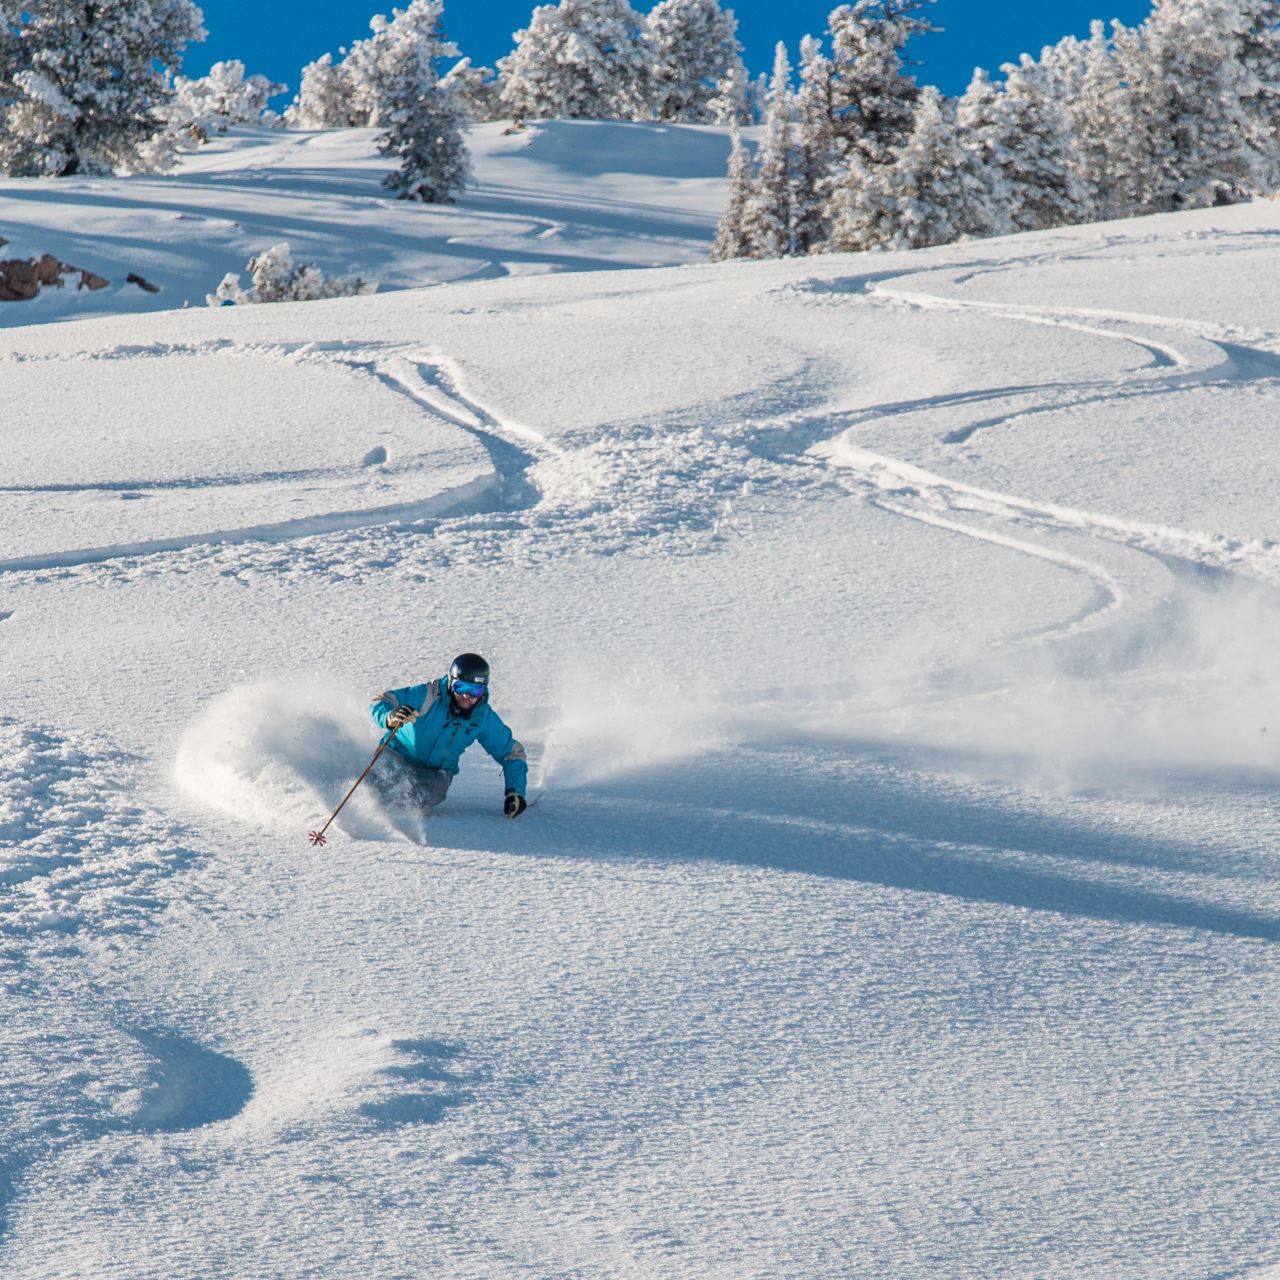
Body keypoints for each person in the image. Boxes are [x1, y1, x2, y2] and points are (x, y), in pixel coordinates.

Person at [370, 653, 528, 818]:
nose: (467, 696)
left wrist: (515, 792)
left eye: (475, 690)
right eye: (461, 687)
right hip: (397, 755)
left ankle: (392, 819)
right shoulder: (429, 696)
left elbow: (511, 753)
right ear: (451, 683)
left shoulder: (483, 718)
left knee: (416, 800)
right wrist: (391, 717)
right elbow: (383, 700)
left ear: (484, 690)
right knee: (374, 789)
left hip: (435, 773)